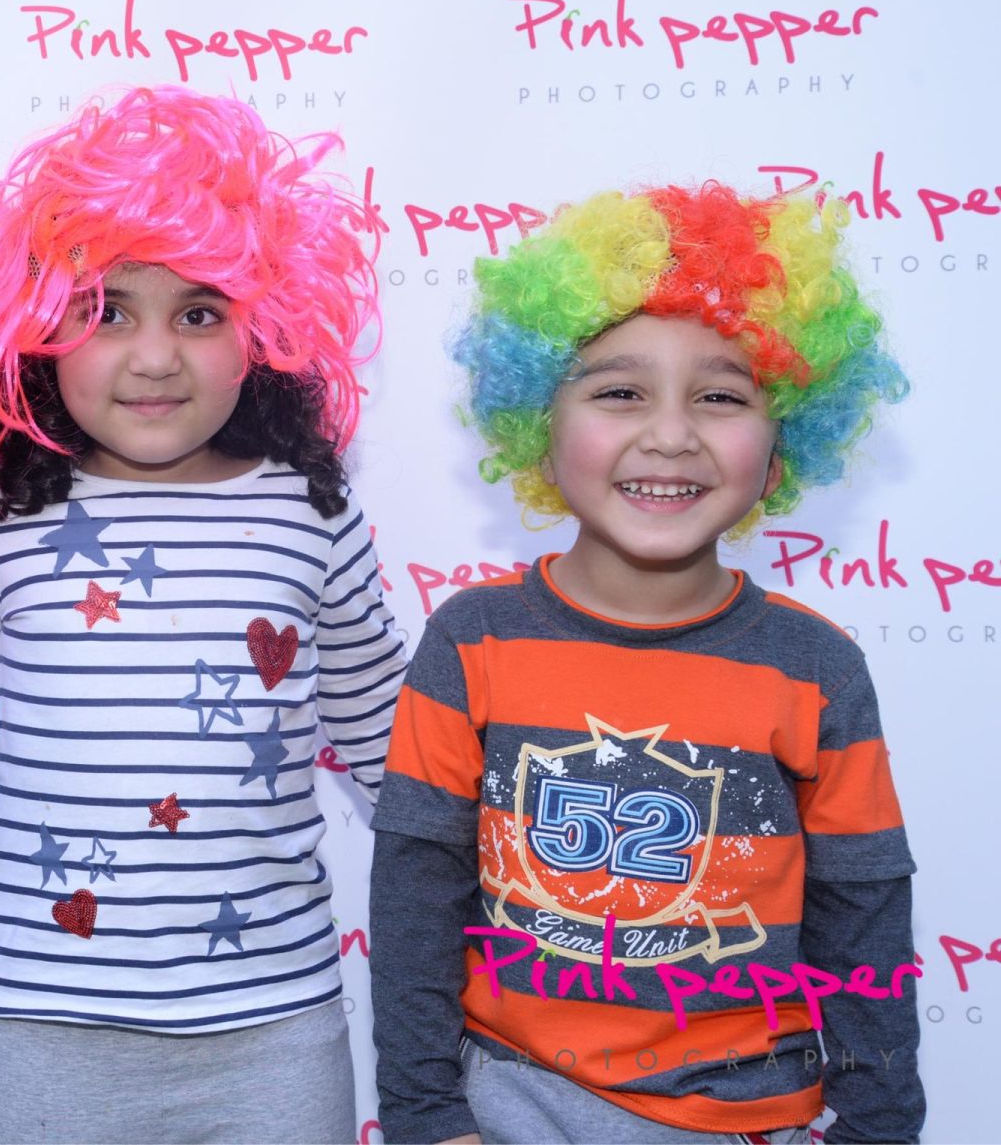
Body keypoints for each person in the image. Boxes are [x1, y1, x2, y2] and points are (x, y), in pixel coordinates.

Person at [0, 86, 407, 1143]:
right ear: (34, 333)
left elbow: (393, 755)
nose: (155, 359)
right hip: (46, 1036)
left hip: (276, 1034)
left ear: (266, 329)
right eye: (104, 312)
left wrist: (510, 898)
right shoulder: (6, 517)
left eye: (200, 313)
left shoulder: (310, 512)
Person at [370, 183, 922, 1144]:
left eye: (720, 396)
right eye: (620, 391)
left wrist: (877, 1126)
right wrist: (427, 1118)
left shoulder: (816, 667)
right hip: (513, 1107)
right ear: (539, 418)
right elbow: (417, 895)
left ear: (785, 431)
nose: (670, 434)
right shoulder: (472, 641)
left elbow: (863, 911)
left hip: (750, 1117)